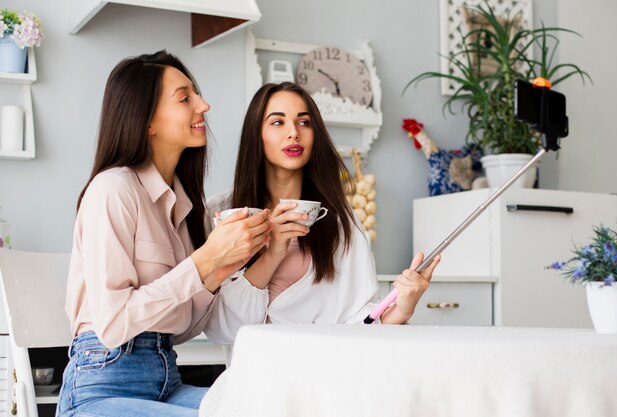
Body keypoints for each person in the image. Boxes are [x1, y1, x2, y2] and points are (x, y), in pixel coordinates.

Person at [56, 50, 271, 417]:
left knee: (268, 408)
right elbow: (113, 325)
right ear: (147, 121)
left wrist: (216, 273)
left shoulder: (184, 206)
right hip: (100, 390)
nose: (204, 105)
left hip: (165, 382)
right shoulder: (113, 189)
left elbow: (180, 330)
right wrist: (203, 262)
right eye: (185, 98)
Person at [204, 82, 440, 344]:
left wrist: (403, 307)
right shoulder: (223, 214)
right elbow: (221, 330)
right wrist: (273, 252)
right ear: (255, 134)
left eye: (304, 122)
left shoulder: (341, 221)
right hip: (256, 375)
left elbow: (358, 324)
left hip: (322, 371)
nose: (294, 133)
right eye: (277, 122)